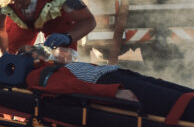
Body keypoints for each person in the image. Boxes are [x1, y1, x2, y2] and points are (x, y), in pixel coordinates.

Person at [20, 46, 194, 122]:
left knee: (183, 95)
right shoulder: (35, 75)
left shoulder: (47, 67)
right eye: (33, 50)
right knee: (179, 103)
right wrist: (114, 93)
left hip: (118, 77)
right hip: (111, 83)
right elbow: (70, 87)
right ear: (29, 58)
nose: (40, 50)